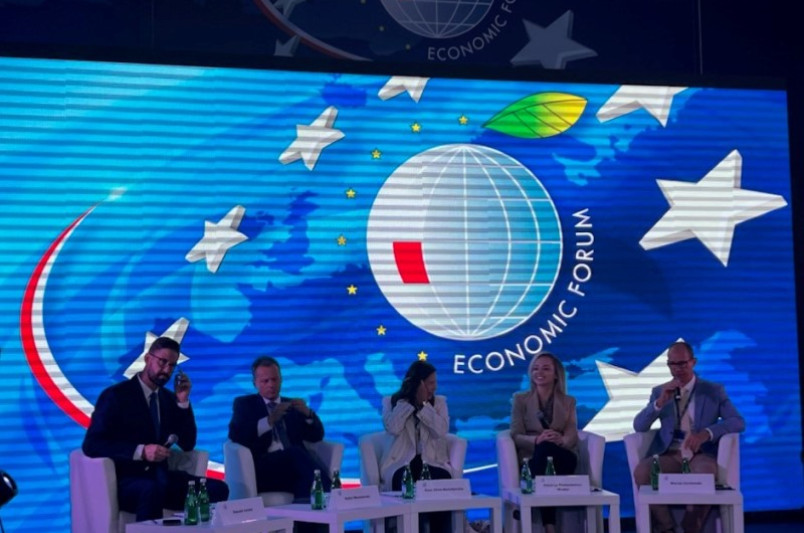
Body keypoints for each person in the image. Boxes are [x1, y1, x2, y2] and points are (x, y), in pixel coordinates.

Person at [82, 336, 229, 521]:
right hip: (127, 479)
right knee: (151, 490)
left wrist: (183, 402)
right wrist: (141, 451)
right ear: (147, 359)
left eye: (172, 365)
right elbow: (92, 444)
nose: (166, 370)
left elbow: (188, 443)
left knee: (217, 489)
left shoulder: (169, 399)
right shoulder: (116, 396)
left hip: (162, 477)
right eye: (162, 362)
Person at [633, 340, 745, 533]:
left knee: (705, 474)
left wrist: (707, 433)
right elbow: (639, 426)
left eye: (682, 364)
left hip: (700, 454)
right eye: (672, 364)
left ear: (693, 362)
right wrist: (659, 403)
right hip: (670, 454)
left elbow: (738, 421)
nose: (678, 369)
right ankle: (666, 527)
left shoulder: (713, 390)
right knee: (642, 472)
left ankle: (691, 526)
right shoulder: (660, 391)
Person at [228, 356, 328, 500]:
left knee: (303, 477)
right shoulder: (244, 405)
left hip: (294, 468)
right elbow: (237, 435)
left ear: (281, 380)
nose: (271, 385)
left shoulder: (291, 405)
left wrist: (308, 413)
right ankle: (331, 491)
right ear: (255, 383)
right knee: (295, 454)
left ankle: (305, 511)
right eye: (265, 381)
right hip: (265, 469)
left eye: (274, 380)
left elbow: (316, 436)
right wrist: (269, 421)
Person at [382, 360, 455, 531]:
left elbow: (441, 431)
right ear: (418, 383)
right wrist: (408, 403)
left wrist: (423, 405)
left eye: (435, 382)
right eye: (430, 383)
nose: (434, 387)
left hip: (431, 461)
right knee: (408, 483)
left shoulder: (439, 403)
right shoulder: (391, 402)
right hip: (402, 463)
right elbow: (393, 428)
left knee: (442, 478)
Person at [510, 352, 579, 533]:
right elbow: (516, 435)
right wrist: (536, 440)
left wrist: (561, 440)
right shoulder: (520, 400)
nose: (539, 373)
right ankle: (550, 526)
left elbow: (572, 432)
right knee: (544, 448)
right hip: (534, 457)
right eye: (535, 368)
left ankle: (527, 500)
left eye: (546, 369)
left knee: (548, 448)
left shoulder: (568, 401)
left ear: (556, 374)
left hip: (562, 457)